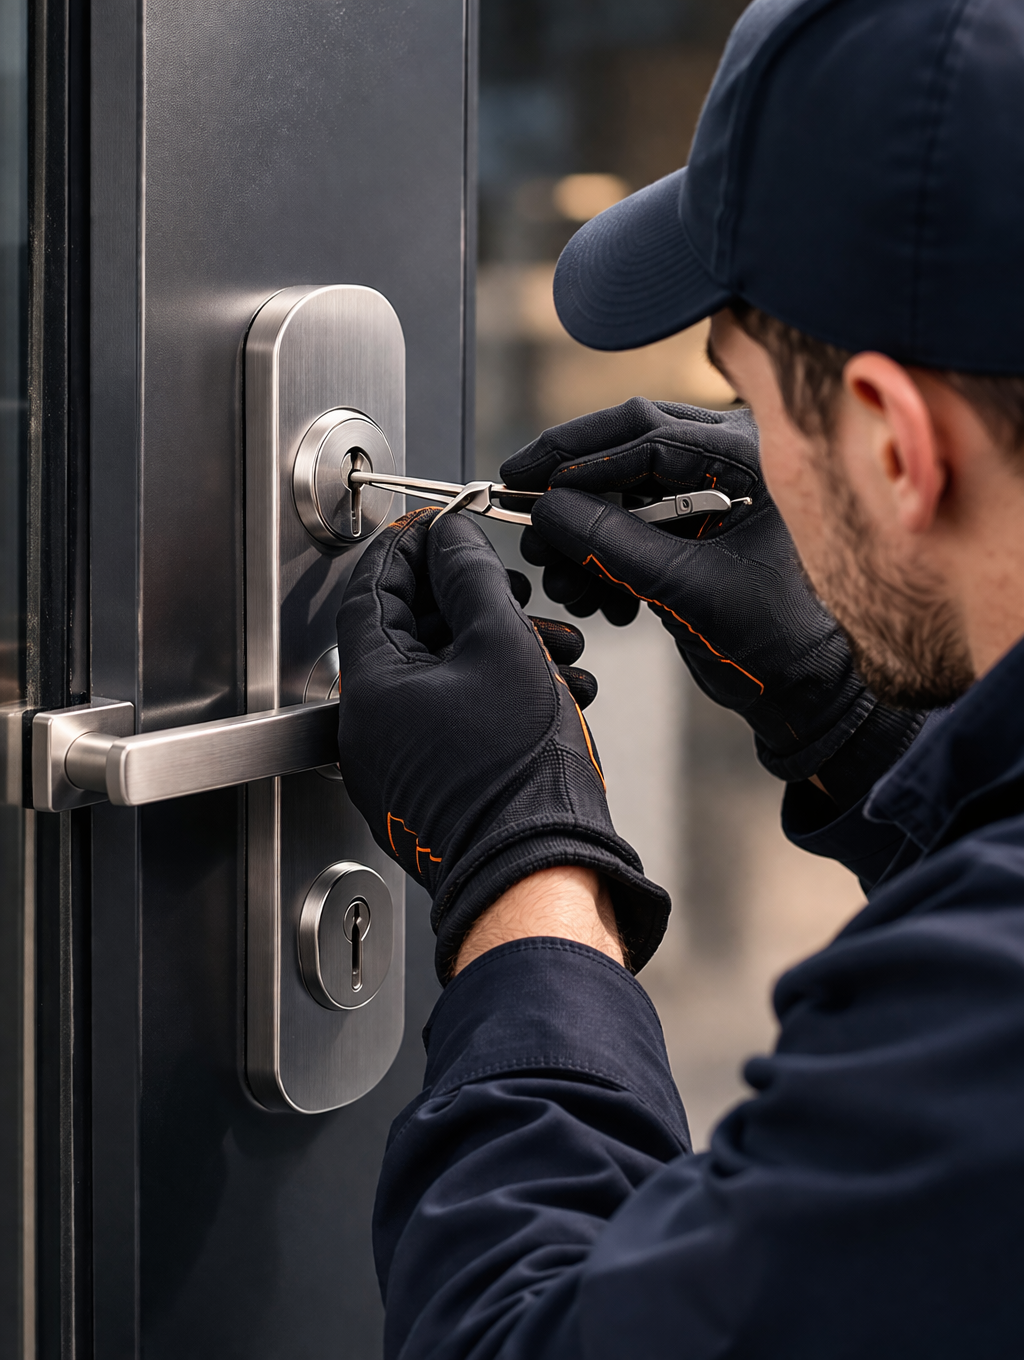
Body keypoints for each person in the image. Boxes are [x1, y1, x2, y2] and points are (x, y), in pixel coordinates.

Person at [336, 0, 1024, 1354]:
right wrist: (879, 743)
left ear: (894, 442)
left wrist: (523, 877)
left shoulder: (976, 1027)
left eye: (754, 396)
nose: (748, 443)